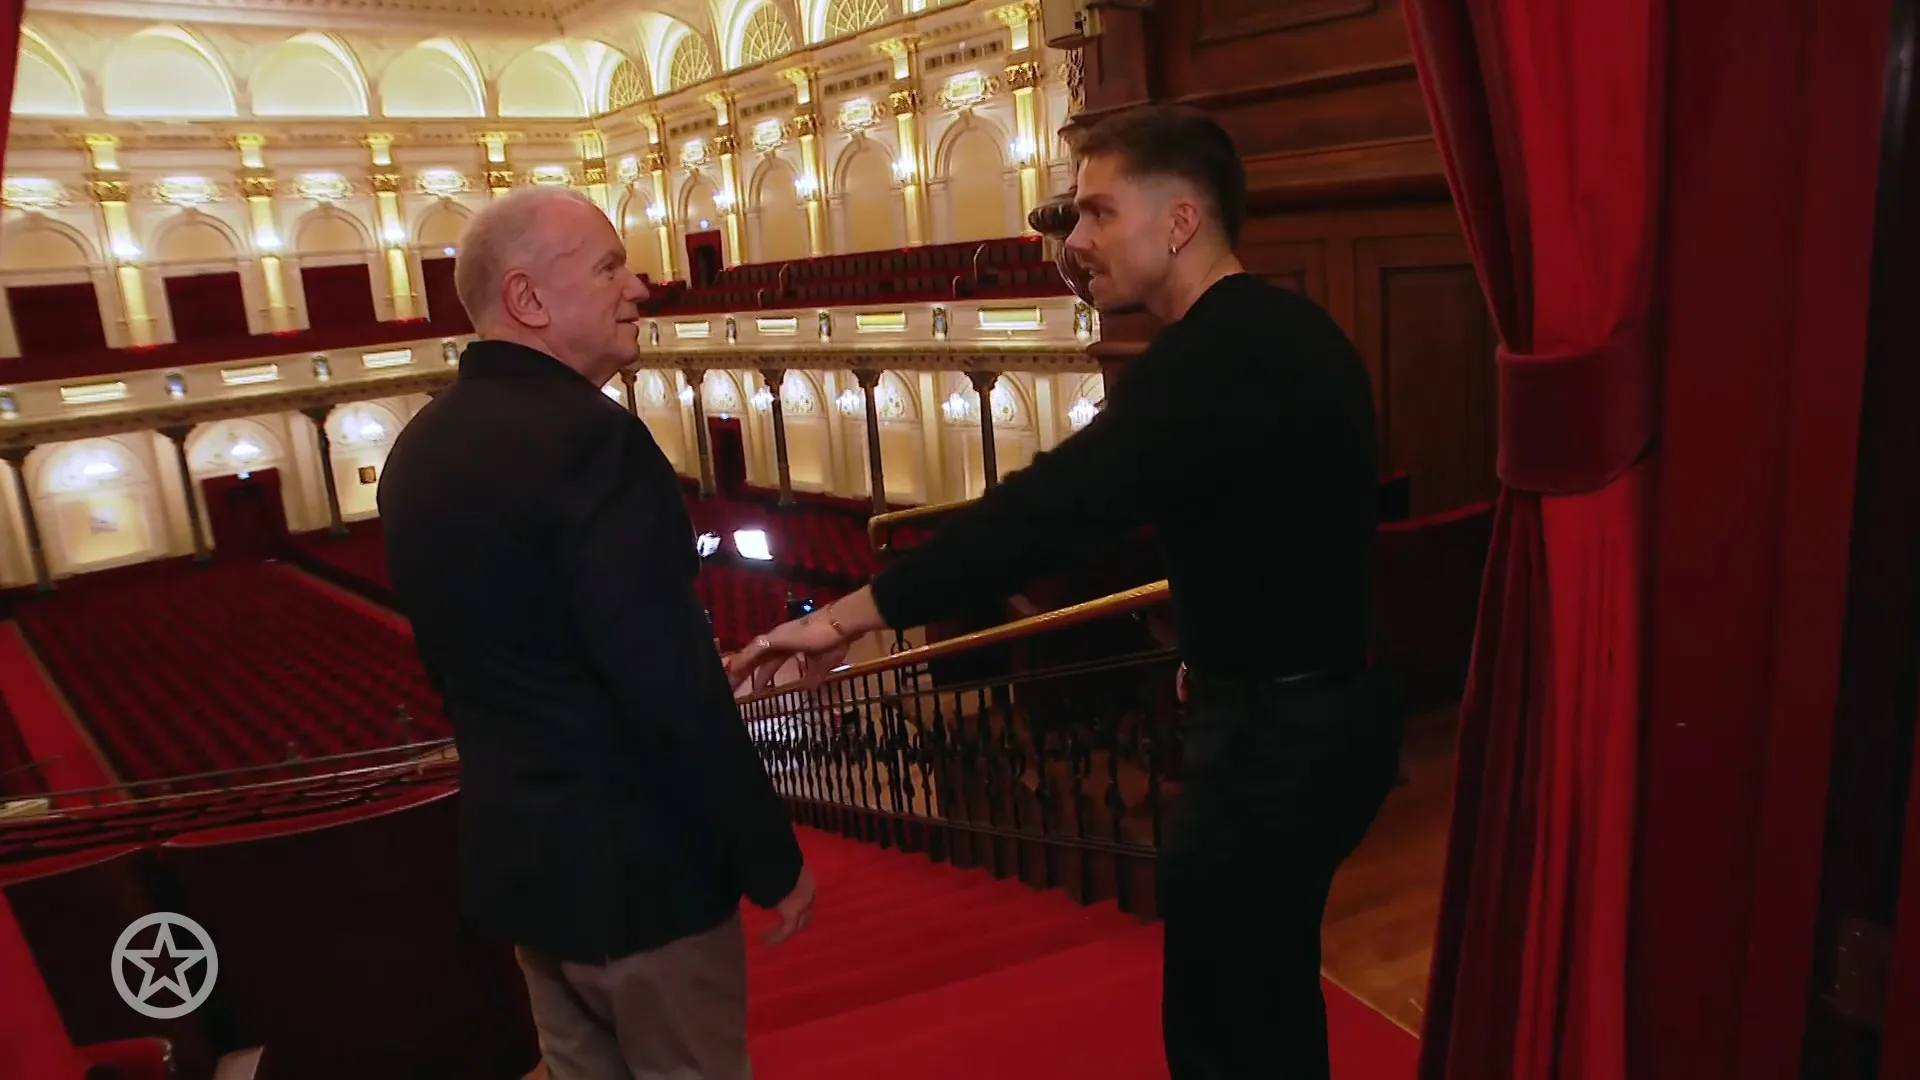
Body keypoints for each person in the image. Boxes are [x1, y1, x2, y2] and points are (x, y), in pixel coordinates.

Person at [724, 104, 1404, 1079]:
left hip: (1274, 746)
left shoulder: (1210, 359)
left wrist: (845, 618)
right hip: (1324, 715)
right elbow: (1266, 536)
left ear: (1180, 221)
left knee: (1225, 1030)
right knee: (1271, 997)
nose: (1075, 239)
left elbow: (1046, 511)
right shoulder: (1285, 330)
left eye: (1099, 212)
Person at [378, 185, 813, 1080]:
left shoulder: (417, 449)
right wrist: (770, 857)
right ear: (529, 298)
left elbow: (465, 673)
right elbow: (668, 686)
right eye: (611, 267)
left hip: (527, 872)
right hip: (641, 876)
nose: (640, 287)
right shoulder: (595, 443)